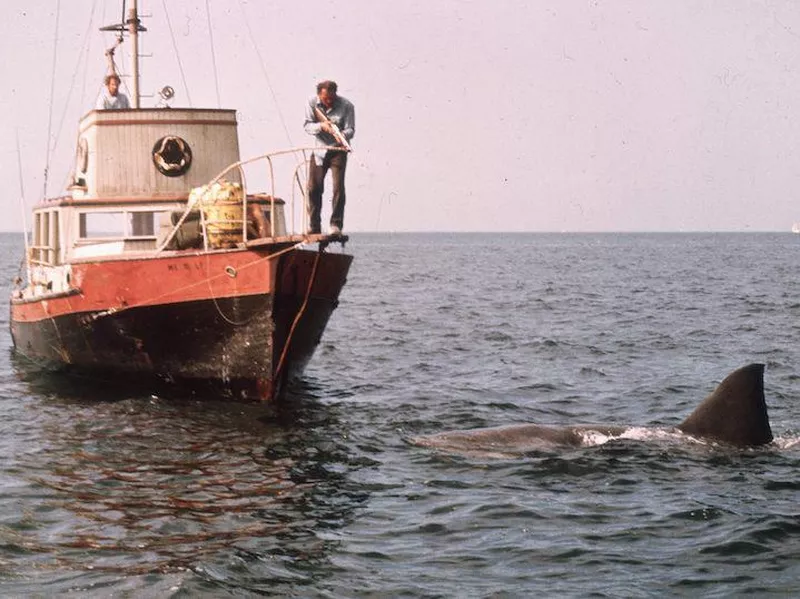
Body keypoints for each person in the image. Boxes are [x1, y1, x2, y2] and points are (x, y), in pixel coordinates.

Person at [303, 80, 355, 235]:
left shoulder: (347, 106)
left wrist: (342, 135)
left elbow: (351, 129)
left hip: (338, 150)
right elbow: (307, 125)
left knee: (338, 187)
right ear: (320, 95)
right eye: (326, 99)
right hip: (319, 150)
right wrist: (322, 126)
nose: (329, 102)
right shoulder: (312, 103)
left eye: (332, 98)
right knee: (313, 188)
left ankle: (335, 225)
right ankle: (314, 226)